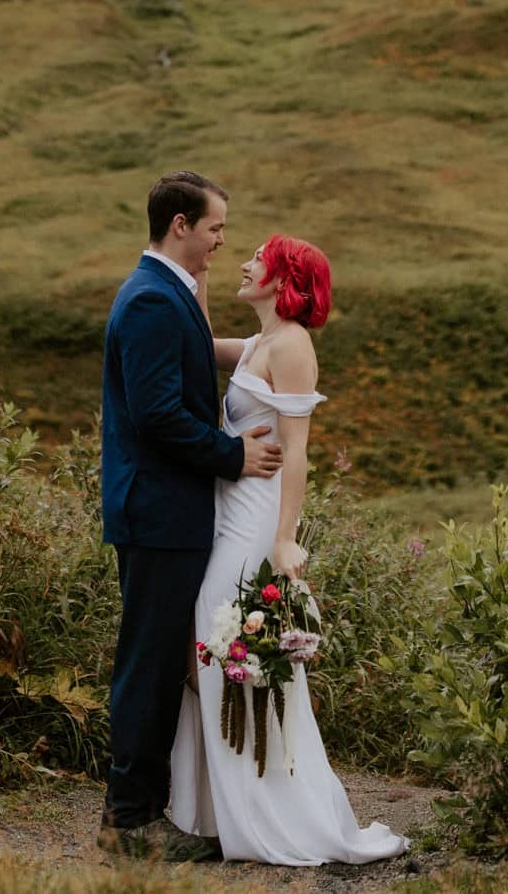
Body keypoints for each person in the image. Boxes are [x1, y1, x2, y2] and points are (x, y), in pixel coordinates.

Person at [167, 234, 407, 866]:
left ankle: (269, 811)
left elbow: (297, 448)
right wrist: (193, 271)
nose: (246, 264)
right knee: (208, 654)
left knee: (227, 651)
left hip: (254, 525)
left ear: (283, 278)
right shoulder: (260, 344)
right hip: (228, 514)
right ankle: (220, 808)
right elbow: (195, 343)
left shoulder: (294, 344)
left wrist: (284, 538)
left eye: (257, 259)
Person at [97, 171, 284, 862]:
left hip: (165, 510)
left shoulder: (166, 292)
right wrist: (231, 455)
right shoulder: (148, 301)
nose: (219, 243)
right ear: (180, 225)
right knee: (146, 663)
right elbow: (158, 416)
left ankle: (140, 808)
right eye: (213, 229)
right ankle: (130, 822)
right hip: (156, 511)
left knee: (155, 659)